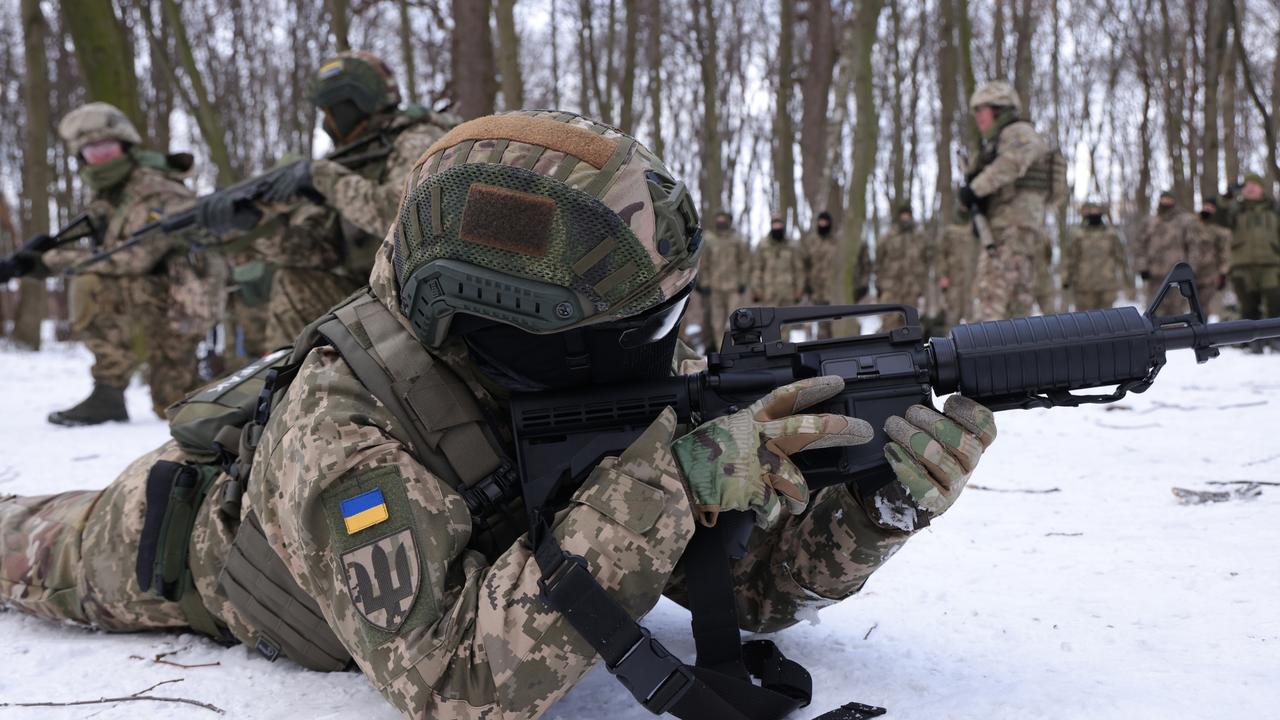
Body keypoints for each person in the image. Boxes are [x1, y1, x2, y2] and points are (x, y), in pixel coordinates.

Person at [0, 111, 996, 720]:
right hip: (171, 544)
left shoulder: (576, 363)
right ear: (517, 320)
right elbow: (458, 684)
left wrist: (875, 509)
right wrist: (669, 484)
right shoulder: (340, 435)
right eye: (635, 324)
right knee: (21, 543)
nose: (659, 343)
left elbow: (743, 585)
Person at [209, 50, 459, 349]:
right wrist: (256, 226)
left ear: (351, 105)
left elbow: (402, 215)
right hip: (377, 291)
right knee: (293, 282)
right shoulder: (354, 159)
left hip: (423, 295)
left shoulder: (416, 138)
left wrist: (323, 177)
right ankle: (288, 388)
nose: (325, 123)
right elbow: (321, 251)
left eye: (329, 111)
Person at [35, 102, 224, 426]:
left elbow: (133, 258)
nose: (102, 158)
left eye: (108, 148)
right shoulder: (112, 195)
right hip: (162, 300)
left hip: (187, 307)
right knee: (175, 407)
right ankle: (108, 392)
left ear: (126, 146)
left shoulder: (153, 188)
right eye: (92, 152)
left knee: (178, 404)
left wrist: (51, 261)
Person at [959, 80, 1052, 321]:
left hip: (1009, 236)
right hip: (1012, 236)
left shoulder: (1018, 133)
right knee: (1015, 317)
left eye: (982, 110)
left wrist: (975, 189)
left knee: (989, 309)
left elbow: (1012, 163)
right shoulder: (998, 142)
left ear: (999, 109)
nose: (978, 117)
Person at [1224, 174, 1280, 350]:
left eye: (1255, 184)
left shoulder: (1274, 208)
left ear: (1262, 188)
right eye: (1247, 185)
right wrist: (1227, 196)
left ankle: (1276, 338)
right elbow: (1216, 217)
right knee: (1248, 306)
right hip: (1242, 265)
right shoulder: (1235, 209)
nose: (1250, 188)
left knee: (1275, 301)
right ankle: (1253, 341)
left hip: (1271, 264)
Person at [1135, 190, 1198, 315]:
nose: (1166, 202)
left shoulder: (1185, 221)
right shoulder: (1150, 221)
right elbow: (1140, 246)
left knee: (1176, 311)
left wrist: (1190, 269)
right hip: (1154, 274)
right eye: (1163, 199)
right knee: (1153, 310)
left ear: (1174, 201)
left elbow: (1193, 246)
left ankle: (1176, 334)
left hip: (1176, 273)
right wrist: (1142, 267)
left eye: (1169, 199)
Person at [1062, 201, 1130, 311]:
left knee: (1107, 320)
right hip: (1083, 286)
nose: (1094, 214)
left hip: (1107, 284)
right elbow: (1070, 257)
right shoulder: (1077, 234)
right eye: (1091, 211)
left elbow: (1121, 256)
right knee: (1084, 321)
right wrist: (1066, 278)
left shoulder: (1111, 234)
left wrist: (1127, 280)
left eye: (1096, 211)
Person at [696, 208, 748, 349]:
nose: (721, 221)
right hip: (715, 289)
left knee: (736, 321)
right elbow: (703, 263)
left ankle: (738, 349)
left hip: (733, 288)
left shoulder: (737, 239)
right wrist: (705, 283)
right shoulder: (708, 239)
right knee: (717, 323)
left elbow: (744, 262)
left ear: (729, 221)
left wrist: (743, 282)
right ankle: (721, 350)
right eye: (718, 219)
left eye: (724, 219)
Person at [874, 204, 930, 330]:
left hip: (911, 290)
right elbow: (878, 262)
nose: (905, 218)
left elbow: (925, 261)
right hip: (891, 289)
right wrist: (879, 284)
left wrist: (921, 286)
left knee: (910, 325)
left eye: (908, 215)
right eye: (903, 215)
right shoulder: (887, 237)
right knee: (889, 325)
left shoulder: (920, 238)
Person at [934, 204, 980, 333]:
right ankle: (949, 345)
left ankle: (973, 345)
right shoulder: (949, 231)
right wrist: (942, 275)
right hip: (953, 279)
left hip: (971, 279)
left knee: (972, 316)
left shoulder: (975, 229)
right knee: (952, 315)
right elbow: (940, 254)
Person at [801, 210, 840, 338]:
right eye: (820, 222)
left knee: (836, 323)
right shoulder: (811, 242)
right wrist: (806, 285)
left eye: (825, 222)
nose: (823, 224)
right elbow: (804, 265)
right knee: (821, 323)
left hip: (834, 289)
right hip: (816, 290)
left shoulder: (837, 242)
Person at [750, 214, 804, 306]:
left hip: (788, 293)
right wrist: (757, 289)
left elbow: (799, 269)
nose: (777, 226)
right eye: (774, 224)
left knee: (789, 319)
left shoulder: (792, 245)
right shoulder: (763, 245)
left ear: (783, 225)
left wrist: (799, 290)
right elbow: (757, 268)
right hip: (769, 293)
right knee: (769, 319)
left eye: (779, 224)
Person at [1191, 196, 1231, 315]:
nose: (1207, 209)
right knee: (1190, 308)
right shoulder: (1193, 225)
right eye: (1206, 206)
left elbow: (1225, 252)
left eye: (1211, 207)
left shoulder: (1220, 230)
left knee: (1204, 309)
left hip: (1210, 274)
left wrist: (1223, 272)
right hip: (1191, 271)